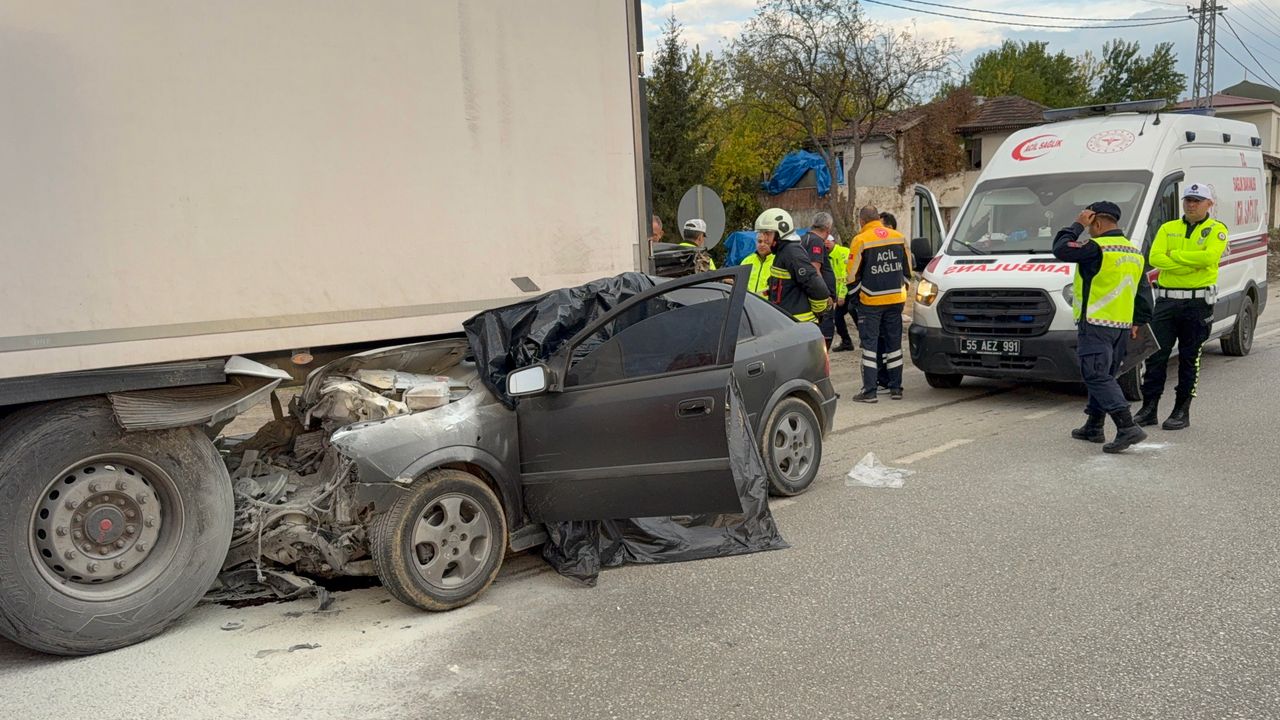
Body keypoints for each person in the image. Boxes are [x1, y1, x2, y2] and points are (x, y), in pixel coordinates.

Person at [1051, 201, 1154, 454]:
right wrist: (1138, 321)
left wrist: (1077, 225)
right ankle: (1094, 426)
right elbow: (1143, 291)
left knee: (1095, 375)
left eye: (1090, 225)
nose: (1089, 230)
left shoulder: (1097, 248)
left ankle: (1126, 426)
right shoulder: (1133, 251)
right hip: (1121, 326)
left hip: (1096, 323)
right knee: (1105, 374)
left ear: (1096, 222)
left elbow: (1061, 249)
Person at [1134, 182, 1229, 430]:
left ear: (1209, 204)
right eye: (1188, 200)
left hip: (1197, 303)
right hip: (1166, 301)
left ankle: (1181, 410)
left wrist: (1174, 256)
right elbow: (1155, 257)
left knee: (1190, 357)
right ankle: (1149, 408)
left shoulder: (1217, 230)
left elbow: (1209, 257)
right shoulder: (1168, 228)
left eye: (1197, 201)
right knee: (1155, 355)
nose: (1191, 205)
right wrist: (1191, 264)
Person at [847, 206, 911, 402]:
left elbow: (851, 276)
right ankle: (896, 389)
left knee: (870, 347)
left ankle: (870, 391)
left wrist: (857, 299)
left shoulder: (861, 240)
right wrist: (901, 292)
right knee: (894, 346)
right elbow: (908, 271)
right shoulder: (899, 237)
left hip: (870, 302)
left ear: (862, 221)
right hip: (895, 301)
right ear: (877, 218)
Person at [757, 208, 831, 323]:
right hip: (786, 321)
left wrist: (818, 310)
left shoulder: (792, 251)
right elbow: (783, 287)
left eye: (767, 233)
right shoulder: (782, 251)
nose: (764, 238)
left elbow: (817, 287)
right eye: (763, 233)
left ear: (780, 232)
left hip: (797, 323)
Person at [802, 213, 839, 347]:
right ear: (828, 228)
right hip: (821, 300)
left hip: (809, 297)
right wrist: (825, 294)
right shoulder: (816, 241)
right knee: (825, 337)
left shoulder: (804, 239)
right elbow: (815, 270)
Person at [828, 230, 856, 351]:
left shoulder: (843, 252)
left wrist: (842, 295)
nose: (825, 244)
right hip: (841, 292)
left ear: (833, 241)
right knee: (838, 316)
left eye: (828, 242)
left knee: (853, 311)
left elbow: (846, 275)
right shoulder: (826, 256)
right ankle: (847, 341)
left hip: (851, 289)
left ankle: (865, 339)